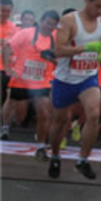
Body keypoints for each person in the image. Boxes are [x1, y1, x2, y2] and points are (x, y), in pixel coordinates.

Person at [47, 0, 101, 179]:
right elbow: (58, 50)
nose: (100, 11)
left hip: (87, 77)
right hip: (65, 79)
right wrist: (86, 47)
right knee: (60, 121)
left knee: (94, 114)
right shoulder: (69, 21)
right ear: (87, 0)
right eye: (97, 6)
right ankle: (54, 155)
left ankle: (82, 160)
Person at [1, 11, 59, 154]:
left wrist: (53, 59)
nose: (49, 27)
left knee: (44, 112)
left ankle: (40, 144)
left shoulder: (56, 37)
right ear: (41, 21)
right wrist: (8, 69)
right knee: (20, 116)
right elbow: (7, 47)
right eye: (47, 23)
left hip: (42, 81)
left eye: (53, 24)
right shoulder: (26, 33)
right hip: (21, 79)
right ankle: (6, 125)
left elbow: (60, 58)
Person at [1, 0, 19, 107]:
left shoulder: (13, 28)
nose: (5, 13)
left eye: (8, 11)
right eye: (2, 10)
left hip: (7, 68)